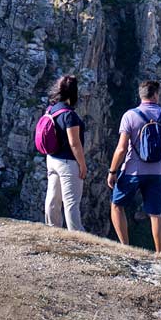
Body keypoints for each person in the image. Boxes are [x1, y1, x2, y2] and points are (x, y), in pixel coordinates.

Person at [107, 80, 161, 253]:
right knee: (155, 213)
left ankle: (125, 248)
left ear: (141, 95)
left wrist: (112, 171)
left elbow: (121, 148)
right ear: (156, 94)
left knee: (116, 205)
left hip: (132, 170)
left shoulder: (130, 116)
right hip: (157, 173)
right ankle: (159, 253)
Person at [43, 74, 88, 232]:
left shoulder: (51, 110)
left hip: (52, 159)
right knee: (71, 203)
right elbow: (74, 143)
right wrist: (82, 165)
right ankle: (76, 237)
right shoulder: (69, 115)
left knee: (53, 199)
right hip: (68, 163)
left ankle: (52, 231)